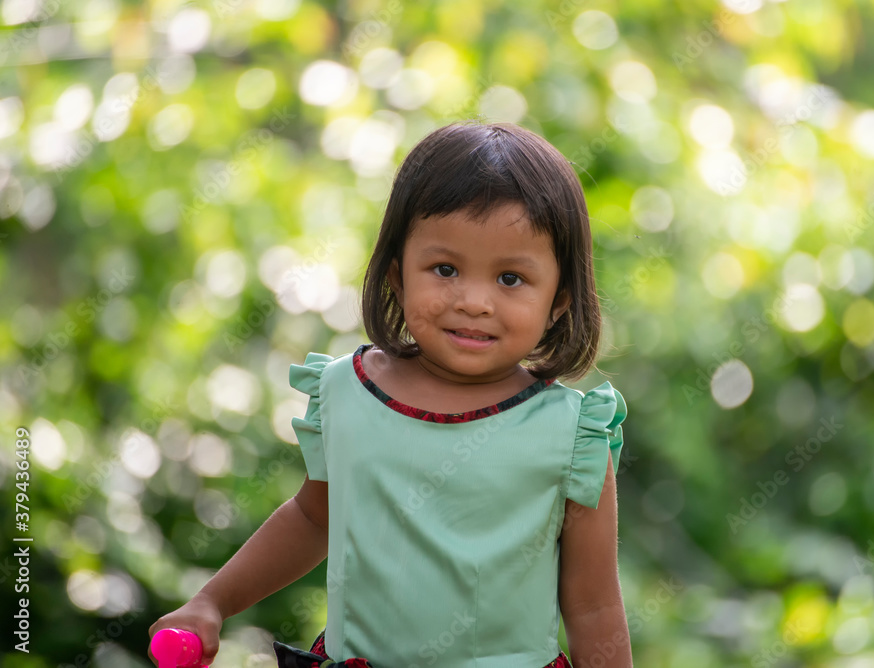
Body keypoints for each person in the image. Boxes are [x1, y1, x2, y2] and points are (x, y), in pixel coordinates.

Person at [149, 121, 632, 668]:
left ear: (560, 299)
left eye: (511, 279)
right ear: (397, 275)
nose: (473, 301)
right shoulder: (347, 394)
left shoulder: (570, 433)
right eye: (445, 269)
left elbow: (592, 605)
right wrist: (212, 602)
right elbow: (313, 519)